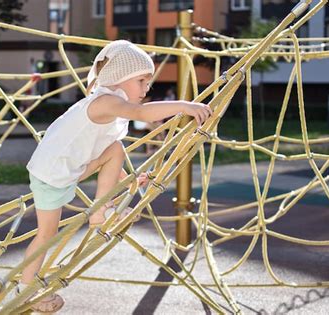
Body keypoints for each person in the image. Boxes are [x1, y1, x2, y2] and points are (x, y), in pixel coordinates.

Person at [19, 40, 212, 312]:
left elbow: (106, 153)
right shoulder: (106, 101)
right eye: (142, 80)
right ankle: (26, 289)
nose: (147, 88)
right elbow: (142, 113)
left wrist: (129, 181)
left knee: (116, 148)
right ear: (120, 78)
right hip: (52, 174)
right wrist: (184, 106)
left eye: (148, 81)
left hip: (70, 168)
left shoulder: (114, 103)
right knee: (46, 235)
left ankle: (102, 209)